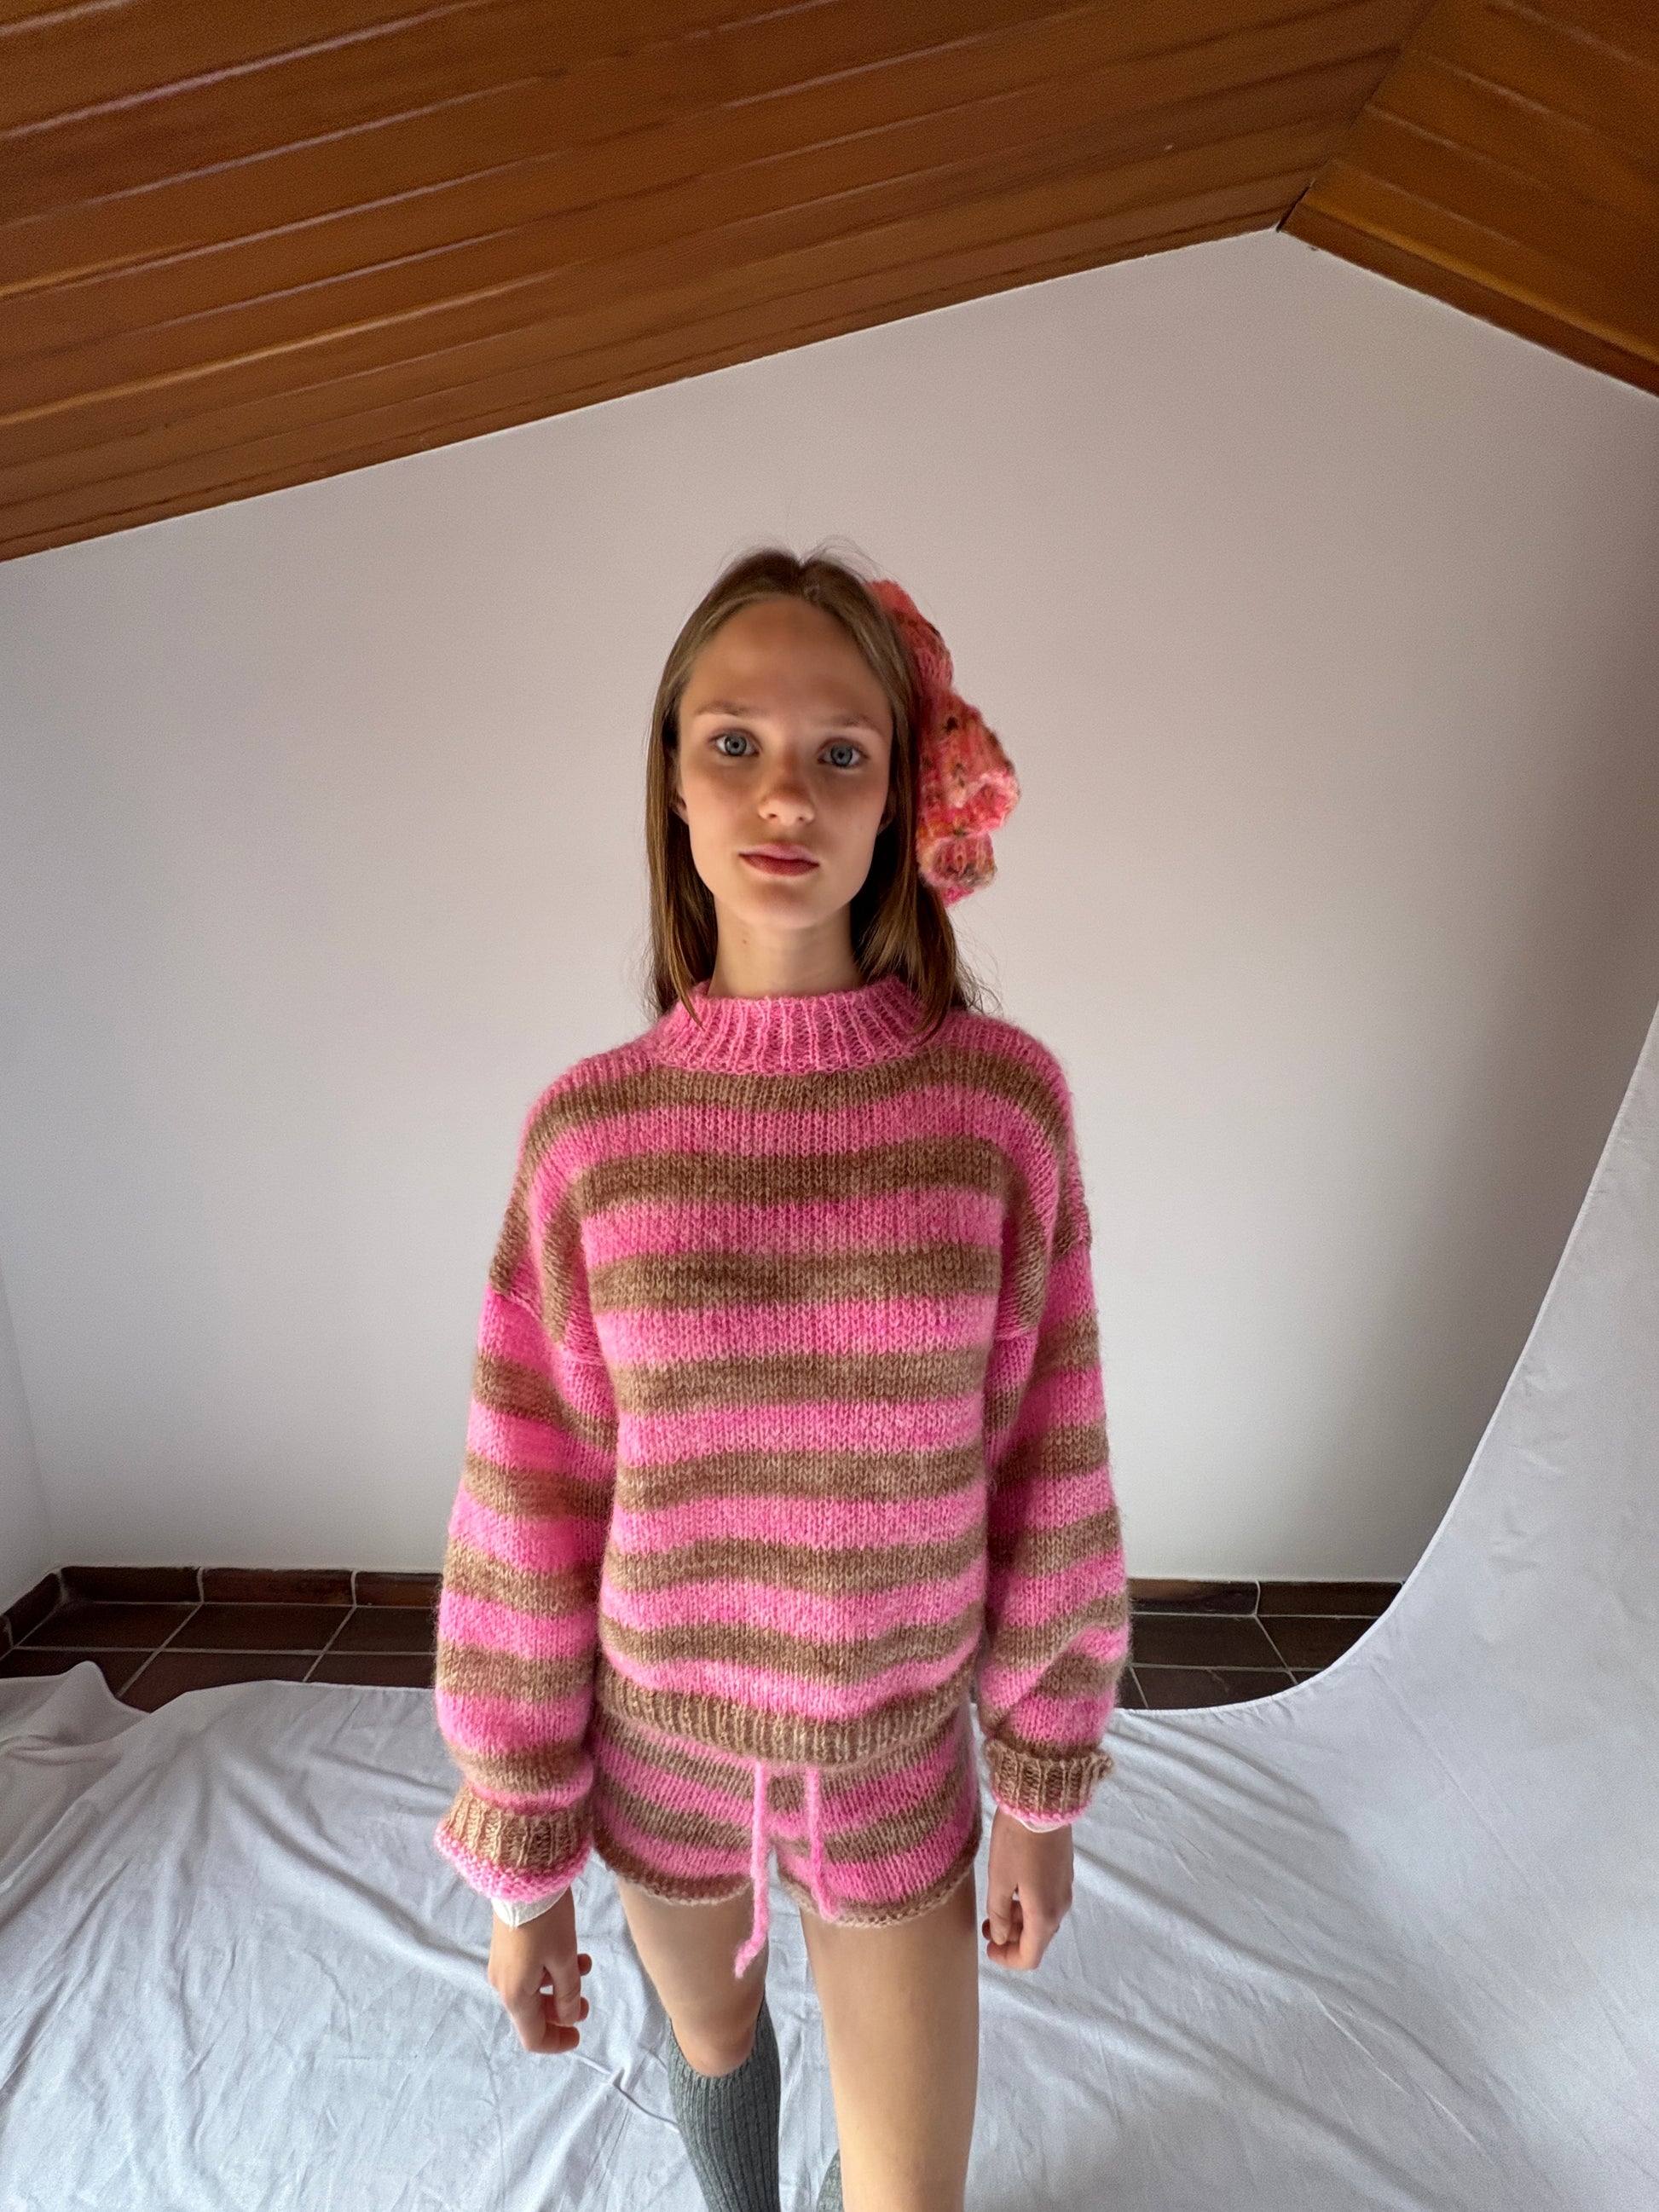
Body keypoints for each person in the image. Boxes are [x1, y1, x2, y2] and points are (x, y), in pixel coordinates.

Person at [430, 542, 1130, 2212]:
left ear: (898, 796)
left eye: (841, 750)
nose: (784, 792)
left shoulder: (996, 1110)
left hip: (894, 1749)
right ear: (671, 779)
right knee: (713, 2044)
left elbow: (1050, 1459)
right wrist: (522, 1855)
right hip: (658, 1745)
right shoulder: (591, 1136)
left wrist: (1039, 1784)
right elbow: (528, 1500)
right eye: (733, 740)